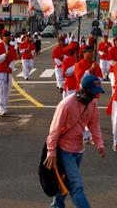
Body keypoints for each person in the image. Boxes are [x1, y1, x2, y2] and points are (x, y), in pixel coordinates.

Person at [44, 74, 106, 208]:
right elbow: (54, 129)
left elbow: (94, 124)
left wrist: (99, 143)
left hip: (79, 149)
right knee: (76, 186)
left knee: (66, 182)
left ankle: (56, 206)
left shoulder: (92, 104)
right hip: (65, 150)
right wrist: (51, 151)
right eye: (93, 93)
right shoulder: (66, 105)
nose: (95, 97)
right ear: (84, 91)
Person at [0, 30, 19, 116]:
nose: (7, 38)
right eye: (5, 36)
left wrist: (10, 66)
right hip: (0, 71)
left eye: (8, 36)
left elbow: (14, 58)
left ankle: (5, 105)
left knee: (7, 89)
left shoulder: (11, 47)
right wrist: (5, 55)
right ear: (2, 37)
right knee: (1, 89)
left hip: (8, 71)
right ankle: (1, 106)